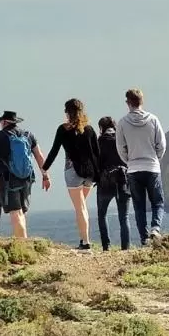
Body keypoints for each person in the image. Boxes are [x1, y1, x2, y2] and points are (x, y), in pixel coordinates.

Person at [42, 98, 100, 251]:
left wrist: (44, 169)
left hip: (72, 171)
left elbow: (54, 151)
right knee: (82, 207)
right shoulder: (90, 129)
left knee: (80, 207)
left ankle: (86, 242)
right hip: (89, 173)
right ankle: (83, 239)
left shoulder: (63, 129)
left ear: (67, 112)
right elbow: (97, 154)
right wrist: (98, 174)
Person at [0, 111, 49, 239]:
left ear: (4, 122)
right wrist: (45, 176)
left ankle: (22, 245)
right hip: (27, 178)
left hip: (8, 180)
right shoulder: (28, 135)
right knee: (22, 212)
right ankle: (24, 240)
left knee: (15, 213)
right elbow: (39, 156)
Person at [116, 88, 167, 246]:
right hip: (152, 167)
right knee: (157, 202)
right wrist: (155, 158)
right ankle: (155, 228)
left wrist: (129, 161)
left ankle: (144, 239)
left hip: (133, 169)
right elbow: (162, 145)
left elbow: (120, 148)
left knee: (139, 206)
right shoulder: (153, 120)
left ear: (128, 103)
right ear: (141, 101)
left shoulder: (122, 123)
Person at [96, 116, 131, 251]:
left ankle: (106, 246)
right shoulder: (122, 140)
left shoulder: (99, 142)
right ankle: (125, 248)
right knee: (124, 216)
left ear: (101, 128)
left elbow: (96, 163)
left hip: (105, 182)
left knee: (102, 214)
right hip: (122, 180)